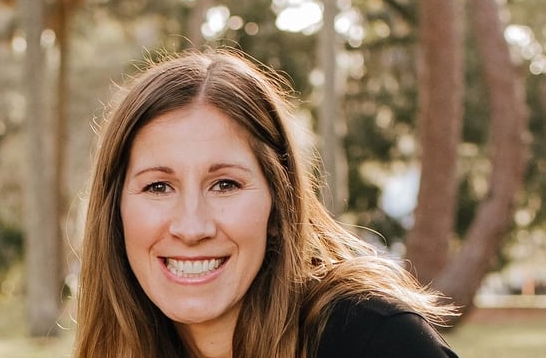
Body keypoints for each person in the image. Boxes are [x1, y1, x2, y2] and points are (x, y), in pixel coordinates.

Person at [72, 48, 458, 358]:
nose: (192, 228)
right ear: (115, 212)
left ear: (280, 201)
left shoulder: (372, 339)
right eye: (158, 187)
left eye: (225, 184)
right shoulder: (120, 344)